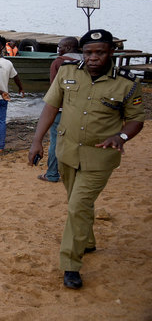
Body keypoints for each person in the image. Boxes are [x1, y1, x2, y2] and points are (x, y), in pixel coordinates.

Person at [27, 29, 144, 290]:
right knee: (76, 201)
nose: (93, 58)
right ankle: (88, 241)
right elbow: (50, 107)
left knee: (77, 204)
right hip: (67, 152)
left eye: (100, 52)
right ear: (82, 53)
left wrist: (121, 136)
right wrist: (37, 141)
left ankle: (71, 264)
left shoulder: (127, 82)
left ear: (111, 52)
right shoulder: (67, 73)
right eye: (88, 52)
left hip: (100, 156)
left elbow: (136, 119)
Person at [39, 37, 84, 182]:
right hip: (81, 110)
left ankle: (52, 173)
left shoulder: (59, 62)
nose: (58, 49)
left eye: (60, 46)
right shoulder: (88, 60)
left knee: (55, 141)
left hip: (61, 110)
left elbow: (54, 90)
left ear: (69, 47)